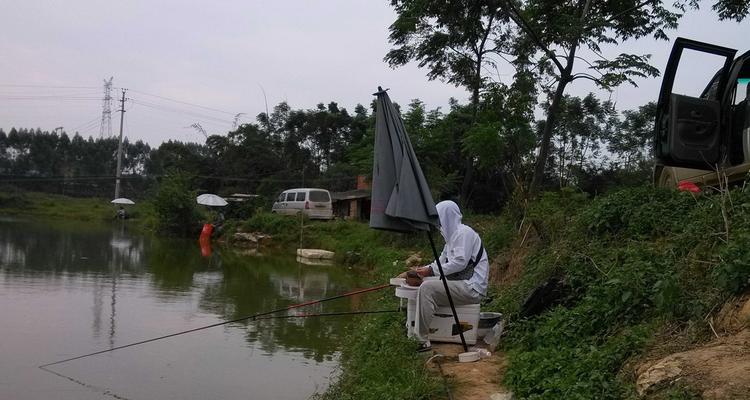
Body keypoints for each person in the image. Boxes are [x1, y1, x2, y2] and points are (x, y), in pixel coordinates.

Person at [407, 200, 489, 351]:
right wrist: (423, 270)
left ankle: (421, 340)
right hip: (461, 284)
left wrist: (431, 271)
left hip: (471, 287)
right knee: (426, 283)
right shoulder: (451, 238)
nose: (438, 224)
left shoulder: (463, 233)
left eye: (439, 219)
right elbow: (440, 261)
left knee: (427, 288)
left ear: (447, 216)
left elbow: (460, 263)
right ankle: (418, 328)